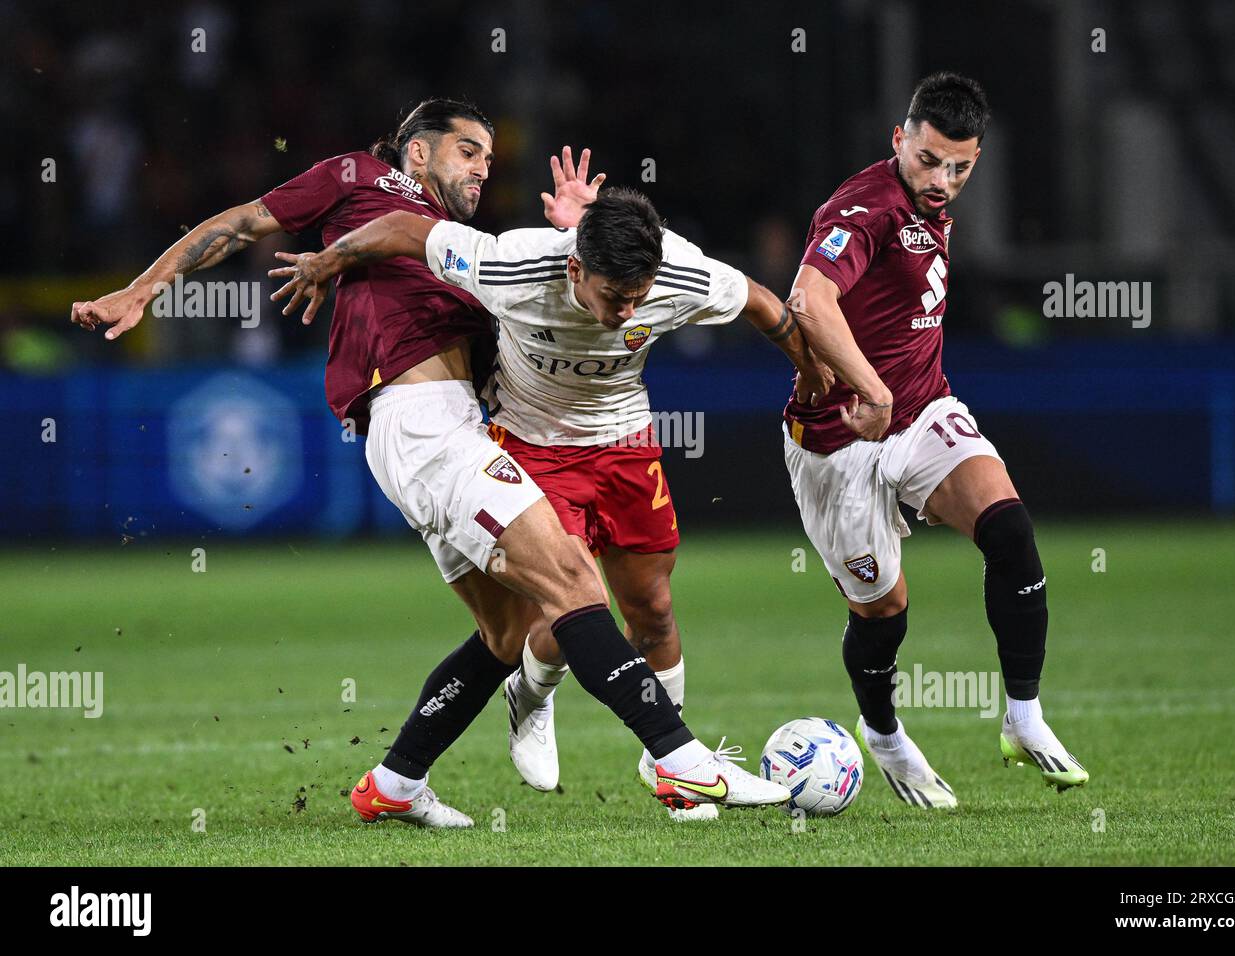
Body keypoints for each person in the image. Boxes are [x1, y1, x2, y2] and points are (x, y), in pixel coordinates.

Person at [72, 98, 790, 828]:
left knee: (506, 637)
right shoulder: (358, 179)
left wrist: (583, 231)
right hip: (420, 427)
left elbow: (551, 307)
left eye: (488, 155)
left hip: (455, 427)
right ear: (417, 151)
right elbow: (242, 222)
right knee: (574, 582)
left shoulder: (470, 248)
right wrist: (144, 288)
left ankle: (396, 782)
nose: (484, 166)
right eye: (468, 150)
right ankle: (680, 760)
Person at [271, 182, 830, 821]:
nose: (626, 312)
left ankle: (397, 783)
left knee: (639, 608)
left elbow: (764, 304)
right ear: (574, 267)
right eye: (614, 297)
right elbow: (404, 229)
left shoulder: (682, 273)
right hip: (529, 443)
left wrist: (808, 371)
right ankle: (653, 749)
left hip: (623, 440)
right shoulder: (512, 265)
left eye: (638, 296)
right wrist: (326, 261)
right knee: (569, 594)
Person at [781, 72, 1088, 808]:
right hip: (837, 441)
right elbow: (807, 300)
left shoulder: (931, 202)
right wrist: (874, 391)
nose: (944, 180)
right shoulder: (863, 208)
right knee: (884, 612)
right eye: (929, 161)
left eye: (961, 166)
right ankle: (883, 733)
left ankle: (1023, 717)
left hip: (922, 412)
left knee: (1010, 529)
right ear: (899, 139)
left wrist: (897, 398)